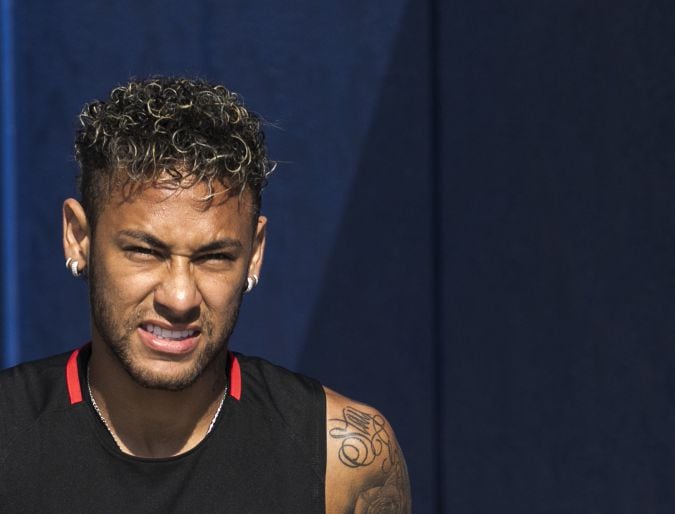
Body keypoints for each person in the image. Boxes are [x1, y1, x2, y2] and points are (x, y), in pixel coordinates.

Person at [0, 77, 411, 513]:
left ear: (254, 253)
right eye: (144, 252)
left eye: (213, 257)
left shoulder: (343, 458)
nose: (180, 298)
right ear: (78, 237)